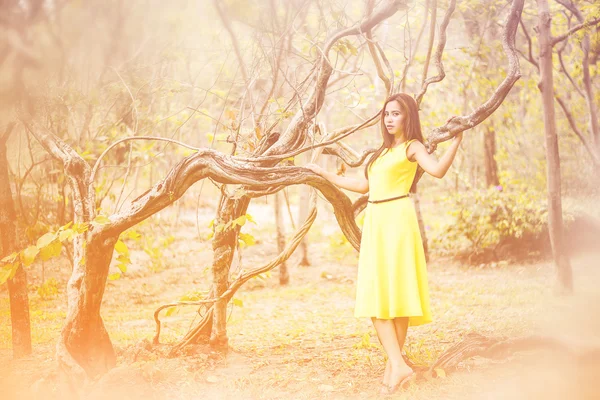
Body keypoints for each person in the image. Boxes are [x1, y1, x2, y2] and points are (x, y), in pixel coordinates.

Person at [305, 93, 463, 394]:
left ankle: (395, 367)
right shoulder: (381, 153)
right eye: (387, 114)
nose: (389, 119)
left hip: (398, 220)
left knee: (398, 293)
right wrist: (325, 174)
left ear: (408, 117)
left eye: (396, 114)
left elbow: (438, 170)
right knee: (375, 293)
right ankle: (397, 365)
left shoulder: (412, 148)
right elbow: (365, 186)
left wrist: (455, 141)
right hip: (377, 220)